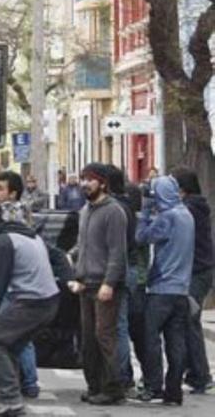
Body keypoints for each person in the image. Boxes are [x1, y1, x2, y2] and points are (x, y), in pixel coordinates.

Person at [0, 203, 60, 417]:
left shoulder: (2, 243)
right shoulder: (23, 234)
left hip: (32, 303)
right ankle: (11, 397)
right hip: (48, 301)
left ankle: (10, 401)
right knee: (11, 345)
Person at [68, 163, 127, 406]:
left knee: (105, 336)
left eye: (90, 179)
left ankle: (113, 388)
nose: (84, 183)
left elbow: (117, 252)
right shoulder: (85, 210)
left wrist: (109, 283)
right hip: (86, 284)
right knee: (88, 338)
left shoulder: (113, 211)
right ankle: (95, 386)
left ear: (102, 183)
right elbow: (82, 246)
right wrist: (73, 266)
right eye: (82, 178)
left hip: (104, 285)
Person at [135, 175, 194, 406]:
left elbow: (142, 237)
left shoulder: (167, 218)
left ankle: (154, 385)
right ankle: (173, 391)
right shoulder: (186, 215)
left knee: (150, 338)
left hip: (161, 288)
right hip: (181, 289)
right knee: (176, 341)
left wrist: (146, 211)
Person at [0, 171, 39, 398]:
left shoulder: (12, 210)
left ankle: (26, 382)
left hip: (13, 280)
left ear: (12, 193)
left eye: (0, 189)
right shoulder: (22, 207)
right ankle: (26, 381)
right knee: (20, 334)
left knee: (13, 334)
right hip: (22, 277)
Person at [170, 167, 214, 394]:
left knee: (190, 320)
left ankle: (200, 374)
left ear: (182, 188)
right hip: (197, 270)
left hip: (197, 272)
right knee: (187, 320)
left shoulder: (190, 209)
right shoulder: (193, 206)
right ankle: (195, 371)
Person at [104, 165, 146, 395]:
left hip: (121, 271)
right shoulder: (127, 206)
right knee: (125, 326)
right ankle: (126, 375)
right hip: (130, 271)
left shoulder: (116, 208)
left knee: (117, 326)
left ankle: (121, 377)